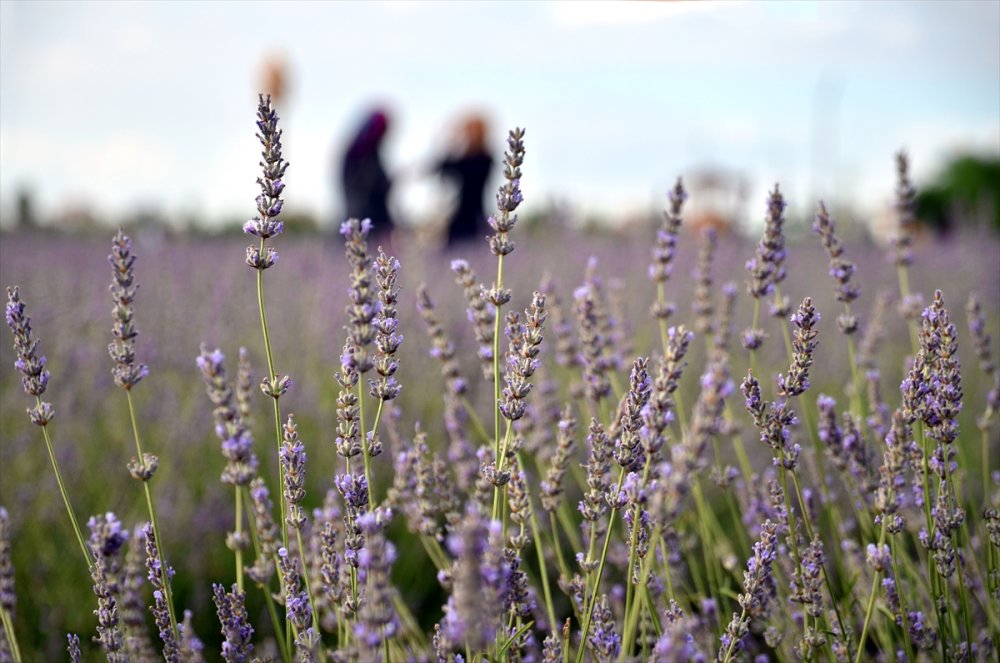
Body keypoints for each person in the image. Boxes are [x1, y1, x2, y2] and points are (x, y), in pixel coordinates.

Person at [433, 114, 494, 246]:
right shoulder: (471, 159)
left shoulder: (482, 159)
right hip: (464, 216)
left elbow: (446, 166)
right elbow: (442, 167)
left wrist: (452, 143)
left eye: (468, 132)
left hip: (472, 216)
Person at [339, 109, 394, 240]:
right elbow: (369, 185)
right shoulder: (359, 153)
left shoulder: (369, 152)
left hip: (372, 217)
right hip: (361, 213)